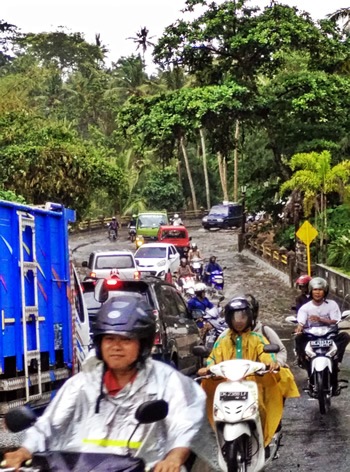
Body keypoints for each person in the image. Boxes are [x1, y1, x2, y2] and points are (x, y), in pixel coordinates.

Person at [4, 296, 218, 472]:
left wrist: (173, 458)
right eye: (109, 339)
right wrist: (25, 451)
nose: (116, 347)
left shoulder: (167, 381)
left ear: (142, 344)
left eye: (125, 340)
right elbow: (49, 425)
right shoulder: (80, 385)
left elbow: (184, 425)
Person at [198, 295, 299, 448]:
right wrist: (208, 367)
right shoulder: (223, 339)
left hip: (254, 380)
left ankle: (267, 434)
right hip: (229, 382)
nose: (239, 321)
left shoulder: (258, 337)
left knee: (265, 402)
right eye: (235, 317)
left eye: (243, 317)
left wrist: (271, 364)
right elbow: (214, 357)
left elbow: (266, 354)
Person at [295, 276, 350, 394]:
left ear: (325, 291)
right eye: (315, 290)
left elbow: (335, 320)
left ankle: (336, 358)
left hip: (329, 335)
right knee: (298, 338)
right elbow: (301, 321)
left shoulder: (332, 304)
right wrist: (300, 326)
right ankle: (304, 359)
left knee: (345, 336)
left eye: (320, 290)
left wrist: (321, 319)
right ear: (311, 291)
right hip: (311, 336)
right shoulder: (306, 307)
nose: (318, 292)